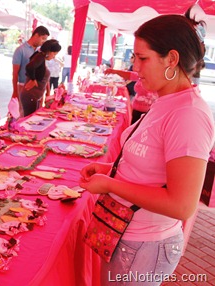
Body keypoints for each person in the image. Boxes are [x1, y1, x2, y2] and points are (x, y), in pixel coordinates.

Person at [80, 14, 215, 285]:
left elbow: (181, 204)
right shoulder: (166, 100)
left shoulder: (188, 114)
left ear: (171, 59)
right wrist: (110, 169)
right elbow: (151, 169)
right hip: (125, 236)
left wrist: (110, 184)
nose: (136, 67)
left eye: (143, 59)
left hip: (145, 246)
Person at [19, 39, 61, 117]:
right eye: (54, 54)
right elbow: (29, 67)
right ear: (49, 51)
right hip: (30, 96)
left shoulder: (40, 57)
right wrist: (33, 79)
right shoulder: (40, 56)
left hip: (34, 96)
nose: (54, 56)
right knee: (29, 120)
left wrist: (47, 92)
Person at [11, 26, 50, 104]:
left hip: (38, 90)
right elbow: (15, 73)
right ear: (36, 35)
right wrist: (15, 92)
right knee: (23, 114)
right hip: (24, 88)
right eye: (43, 38)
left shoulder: (40, 52)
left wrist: (47, 90)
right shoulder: (20, 50)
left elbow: (44, 71)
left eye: (45, 39)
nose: (43, 42)